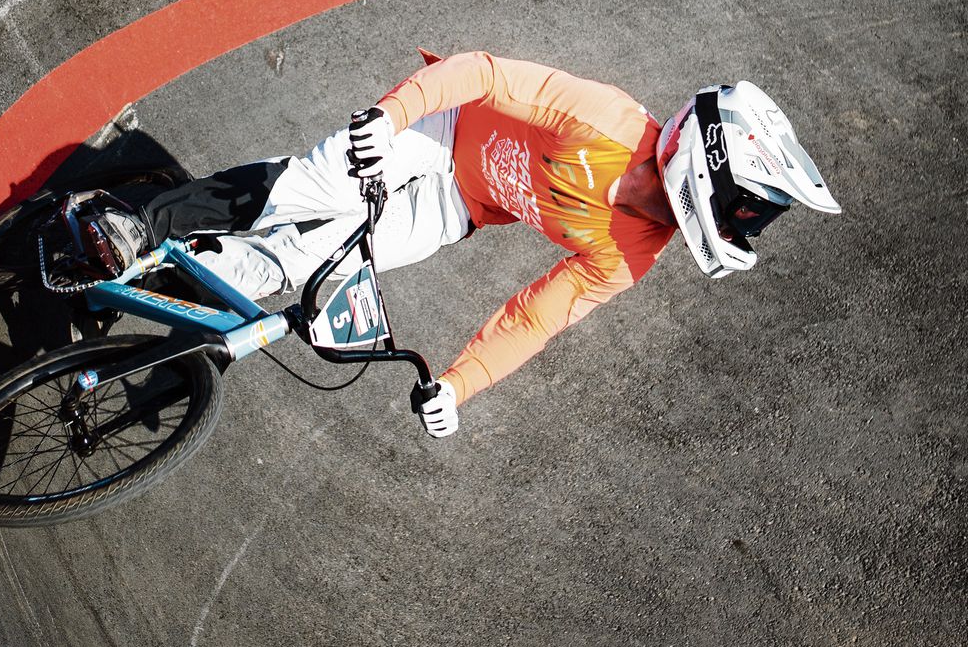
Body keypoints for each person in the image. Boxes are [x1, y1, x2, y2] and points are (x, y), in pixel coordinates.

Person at [89, 50, 840, 437]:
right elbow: (482, 73)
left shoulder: (634, 251)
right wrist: (391, 117)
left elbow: (537, 318)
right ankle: (141, 222)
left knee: (305, 268)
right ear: (710, 165)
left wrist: (459, 384)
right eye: (748, 208)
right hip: (439, 128)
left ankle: (161, 271)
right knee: (311, 188)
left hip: (460, 204)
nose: (745, 225)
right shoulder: (607, 121)